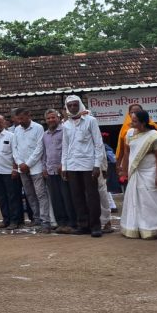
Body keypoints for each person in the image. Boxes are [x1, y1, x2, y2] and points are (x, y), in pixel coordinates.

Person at [119, 110, 157, 239]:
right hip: (135, 171)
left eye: (134, 121)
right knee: (134, 201)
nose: (131, 123)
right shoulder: (129, 133)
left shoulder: (154, 136)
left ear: (143, 122)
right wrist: (124, 170)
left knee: (150, 201)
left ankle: (150, 230)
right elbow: (127, 153)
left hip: (150, 172)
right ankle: (133, 229)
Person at [61, 95, 105, 237]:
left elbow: (98, 144)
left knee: (92, 196)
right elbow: (65, 146)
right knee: (77, 196)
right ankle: (83, 225)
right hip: (72, 165)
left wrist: (97, 165)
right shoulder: (65, 125)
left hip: (88, 164)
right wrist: (64, 166)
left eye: (75, 105)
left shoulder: (91, 120)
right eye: (70, 106)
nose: (73, 107)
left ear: (80, 104)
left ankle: (95, 226)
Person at [13, 108, 56, 233]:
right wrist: (20, 163)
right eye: (18, 119)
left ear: (29, 115)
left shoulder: (38, 128)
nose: (20, 121)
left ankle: (45, 221)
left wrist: (28, 164)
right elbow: (14, 149)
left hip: (36, 167)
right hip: (22, 168)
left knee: (41, 194)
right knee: (30, 195)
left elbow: (39, 148)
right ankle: (36, 218)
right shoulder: (17, 130)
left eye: (22, 118)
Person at [43, 109, 76, 234]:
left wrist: (64, 164)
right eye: (48, 118)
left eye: (53, 117)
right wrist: (44, 168)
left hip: (64, 170)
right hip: (50, 171)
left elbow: (69, 149)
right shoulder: (45, 135)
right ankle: (61, 223)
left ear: (58, 118)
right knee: (56, 199)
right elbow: (44, 153)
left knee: (67, 197)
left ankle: (71, 223)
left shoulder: (65, 131)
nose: (51, 120)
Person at [0, 114, 21, 229]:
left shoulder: (11, 136)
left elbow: (15, 154)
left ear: (4, 122)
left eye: (0, 122)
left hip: (9, 171)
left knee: (12, 197)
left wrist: (15, 169)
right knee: (1, 198)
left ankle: (15, 221)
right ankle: (6, 220)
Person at [115, 103, 157, 170]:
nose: (134, 114)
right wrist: (118, 165)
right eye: (132, 112)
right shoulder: (126, 129)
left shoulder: (153, 128)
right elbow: (122, 149)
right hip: (130, 163)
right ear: (129, 114)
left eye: (136, 112)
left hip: (149, 165)